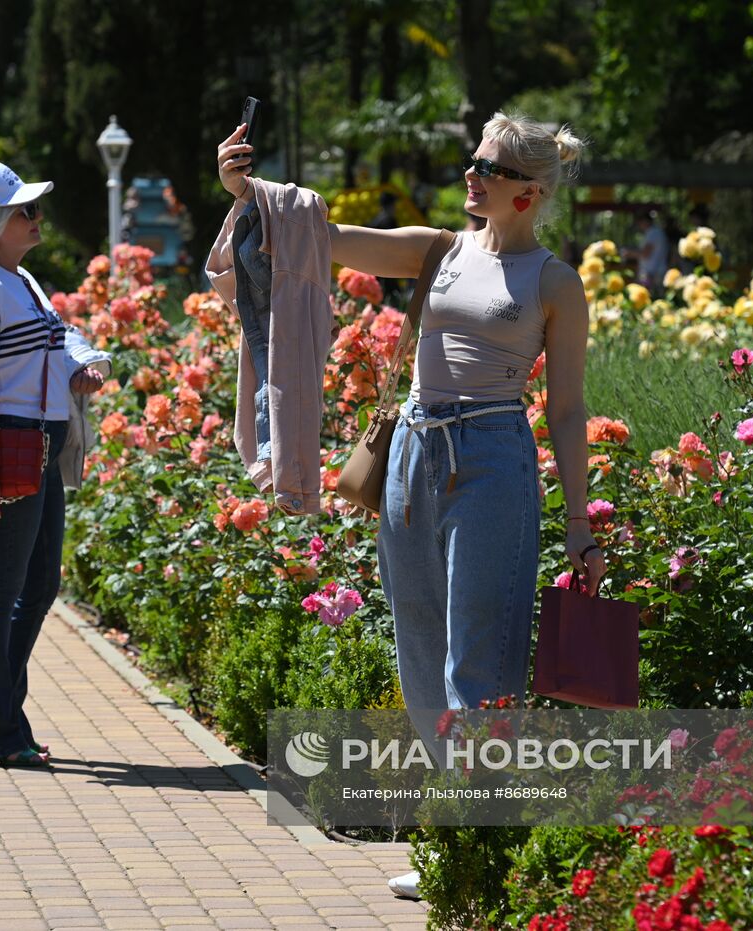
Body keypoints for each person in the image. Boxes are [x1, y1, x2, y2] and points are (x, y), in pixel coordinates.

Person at [216, 108, 607, 900]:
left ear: (526, 194)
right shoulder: (442, 249)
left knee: (481, 660)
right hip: (414, 453)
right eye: (473, 162)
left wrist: (579, 523)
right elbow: (322, 236)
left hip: (494, 458)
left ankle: (483, 855)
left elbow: (566, 411)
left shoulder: (554, 282)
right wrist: (244, 186)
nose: (471, 174)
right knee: (421, 652)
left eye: (487, 168)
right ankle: (450, 847)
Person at [0, 161, 111, 769]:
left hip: (39, 442)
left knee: (37, 585)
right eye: (25, 211)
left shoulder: (21, 279)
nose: (37, 218)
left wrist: (82, 364)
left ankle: (2, 719)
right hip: (10, 443)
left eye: (34, 208)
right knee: (3, 588)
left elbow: (58, 339)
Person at [623, 210, 669, 290]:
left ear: (645, 221)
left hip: (652, 274)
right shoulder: (656, 232)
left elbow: (645, 254)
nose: (639, 226)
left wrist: (628, 253)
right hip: (654, 273)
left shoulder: (653, 233)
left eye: (639, 223)